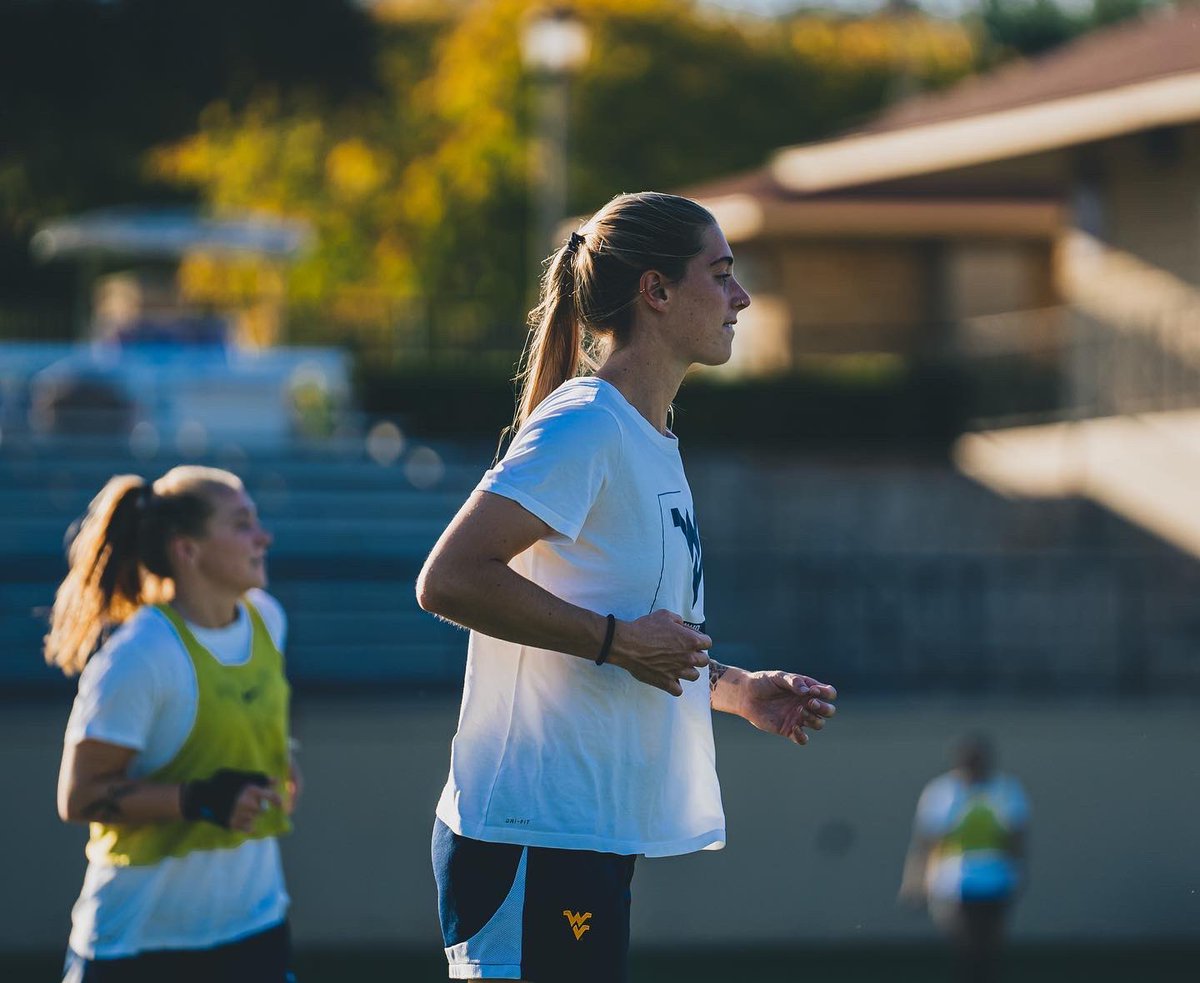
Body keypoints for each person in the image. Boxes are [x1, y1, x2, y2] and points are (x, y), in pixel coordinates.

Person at [416, 191, 838, 983]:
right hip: (532, 830)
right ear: (657, 291)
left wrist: (737, 688)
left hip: (592, 834)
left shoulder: (652, 438)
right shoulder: (586, 424)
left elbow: (642, 640)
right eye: (721, 274)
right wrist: (615, 641)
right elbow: (449, 578)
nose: (740, 297)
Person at [46, 465, 300, 983]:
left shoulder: (267, 619)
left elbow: (250, 724)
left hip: (254, 924)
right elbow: (78, 797)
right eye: (241, 524)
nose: (264, 537)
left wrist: (282, 763)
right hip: (140, 942)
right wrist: (199, 799)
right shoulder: (139, 657)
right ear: (189, 549)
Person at [899, 734, 1029, 983]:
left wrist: (1017, 872)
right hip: (953, 884)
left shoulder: (1005, 791)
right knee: (965, 947)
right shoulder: (942, 792)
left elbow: (1016, 838)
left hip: (995, 882)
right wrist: (915, 881)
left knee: (989, 948)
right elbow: (926, 842)